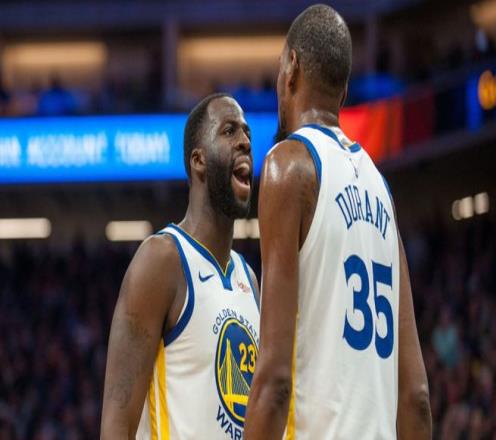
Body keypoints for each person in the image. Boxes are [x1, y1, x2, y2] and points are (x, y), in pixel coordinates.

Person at [244, 5, 432, 440]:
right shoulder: (382, 189)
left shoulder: (288, 166)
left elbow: (274, 382)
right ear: (344, 91)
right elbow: (417, 397)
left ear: (291, 68)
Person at [101, 93, 260, 439]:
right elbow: (116, 424)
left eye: (247, 132)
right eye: (229, 131)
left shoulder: (248, 278)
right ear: (198, 161)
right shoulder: (162, 260)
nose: (245, 142)